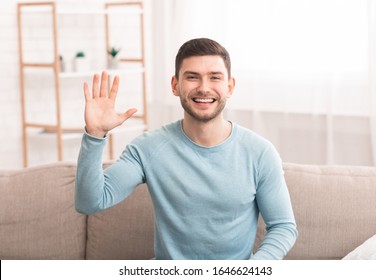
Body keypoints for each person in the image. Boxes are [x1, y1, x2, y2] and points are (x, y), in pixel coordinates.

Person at [75, 38, 298, 260]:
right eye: (192, 77)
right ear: (175, 85)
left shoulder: (260, 153)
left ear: (229, 87)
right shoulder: (147, 148)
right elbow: (90, 202)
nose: (203, 88)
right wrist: (95, 135)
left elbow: (283, 227)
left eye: (215, 77)